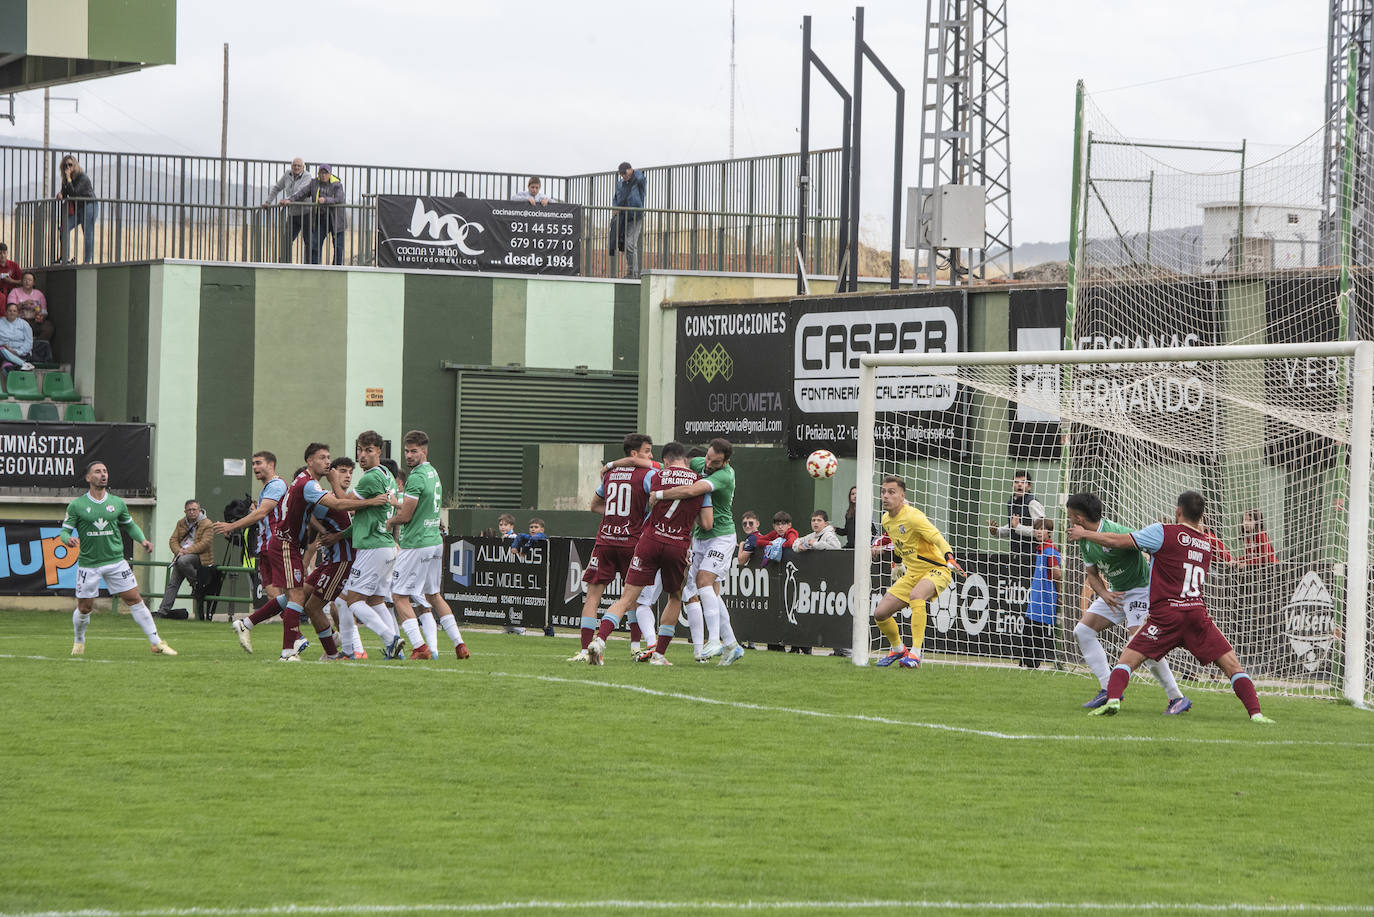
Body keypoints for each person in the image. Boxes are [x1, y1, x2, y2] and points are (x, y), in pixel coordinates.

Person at [1070, 491, 1275, 723]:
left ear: (1178, 511)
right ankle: (1256, 713)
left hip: (1165, 614)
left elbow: (1122, 541)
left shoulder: (1163, 532)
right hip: (1196, 614)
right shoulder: (1207, 546)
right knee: (1232, 665)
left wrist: (1086, 534)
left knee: (1129, 658)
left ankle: (1117, 697)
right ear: (1202, 516)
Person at [587, 441, 712, 665]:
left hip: (649, 541)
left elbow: (639, 469)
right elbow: (707, 523)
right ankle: (659, 655)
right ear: (685, 459)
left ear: (665, 460)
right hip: (677, 544)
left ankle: (599, 640)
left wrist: (610, 466)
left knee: (627, 598)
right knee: (675, 597)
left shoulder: (656, 475)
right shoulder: (700, 483)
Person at [1065, 492, 1190, 713]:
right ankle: (1107, 689)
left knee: (1141, 644)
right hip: (1116, 593)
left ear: (1078, 518)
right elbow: (1092, 573)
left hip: (1140, 591)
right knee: (1082, 631)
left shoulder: (1116, 531)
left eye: (1069, 516)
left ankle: (1176, 697)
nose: (1068, 521)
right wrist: (1103, 593)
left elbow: (1128, 544)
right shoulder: (1083, 539)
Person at [62, 460, 175, 656]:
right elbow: (64, 531)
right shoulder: (77, 505)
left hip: (115, 561)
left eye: (105, 471)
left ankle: (156, 642)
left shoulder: (117, 503)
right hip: (89, 564)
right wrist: (67, 540)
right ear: (88, 478)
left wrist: (143, 540)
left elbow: (129, 525)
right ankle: (79, 640)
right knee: (85, 607)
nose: (103, 474)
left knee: (134, 599)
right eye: (98, 472)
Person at [647, 438, 741, 664]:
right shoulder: (700, 462)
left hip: (721, 536)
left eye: (715, 461)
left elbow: (690, 490)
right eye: (708, 457)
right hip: (700, 538)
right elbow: (677, 467)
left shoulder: (724, 476)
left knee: (703, 581)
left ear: (725, 462)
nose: (708, 463)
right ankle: (732, 645)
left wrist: (658, 494)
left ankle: (714, 641)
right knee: (708, 592)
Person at [571, 433, 661, 663]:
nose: (651, 455)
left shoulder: (610, 474)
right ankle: (631, 646)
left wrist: (615, 514)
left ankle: (583, 651)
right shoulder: (650, 474)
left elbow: (594, 506)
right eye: (647, 451)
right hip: (632, 542)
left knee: (592, 597)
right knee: (631, 599)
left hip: (606, 540)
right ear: (634, 454)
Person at [387, 429, 470, 660]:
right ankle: (459, 644)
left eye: (413, 451)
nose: (409, 455)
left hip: (416, 542)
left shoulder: (415, 477)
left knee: (398, 595)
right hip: (434, 540)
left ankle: (419, 647)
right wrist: (398, 500)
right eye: (406, 451)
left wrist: (390, 520)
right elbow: (417, 501)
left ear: (424, 451)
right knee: (433, 594)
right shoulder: (433, 472)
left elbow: (405, 516)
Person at [870, 475, 963, 669]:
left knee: (916, 596)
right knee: (880, 613)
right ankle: (897, 648)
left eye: (891, 492)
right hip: (913, 574)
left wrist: (949, 557)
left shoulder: (913, 516)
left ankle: (915, 653)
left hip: (936, 569)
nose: (885, 496)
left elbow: (937, 537)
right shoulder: (886, 519)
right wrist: (896, 564)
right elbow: (898, 543)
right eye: (883, 492)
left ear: (902, 496)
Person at [340, 430, 405, 659]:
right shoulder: (387, 473)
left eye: (368, 450)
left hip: (372, 546)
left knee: (353, 601)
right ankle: (396, 652)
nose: (362, 455)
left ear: (379, 451)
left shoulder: (369, 478)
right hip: (386, 546)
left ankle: (391, 639)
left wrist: (332, 484)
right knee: (377, 600)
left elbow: (345, 504)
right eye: (359, 450)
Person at [215, 451, 288, 653]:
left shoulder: (277, 485)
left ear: (271, 464)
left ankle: (248, 624)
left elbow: (261, 513)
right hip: (265, 548)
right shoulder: (267, 488)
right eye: (253, 464)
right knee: (280, 596)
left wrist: (231, 526)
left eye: (259, 463)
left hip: (277, 545)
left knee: (294, 594)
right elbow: (261, 514)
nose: (255, 467)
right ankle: (298, 637)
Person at [155, 499, 213, 618]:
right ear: (185, 511)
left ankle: (195, 583)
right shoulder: (181, 523)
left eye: (194, 509)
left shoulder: (207, 523)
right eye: (189, 510)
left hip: (200, 557)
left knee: (182, 561)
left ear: (199, 510)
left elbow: (205, 543)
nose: (192, 512)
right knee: (173, 583)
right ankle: (162, 611)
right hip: (182, 556)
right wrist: (178, 551)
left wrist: (186, 551)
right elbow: (173, 540)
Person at [289, 164, 348, 266]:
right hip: (321, 219)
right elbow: (302, 193)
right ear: (318, 173)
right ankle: (315, 267)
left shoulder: (337, 184)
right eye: (321, 172)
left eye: (326, 173)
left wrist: (325, 200)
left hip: (336, 220)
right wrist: (290, 200)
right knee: (315, 244)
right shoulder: (314, 183)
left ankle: (337, 269)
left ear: (330, 174)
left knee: (338, 247)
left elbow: (339, 199)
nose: (324, 175)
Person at [1021, 517, 1060, 668]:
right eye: (1037, 528)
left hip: (1044, 597)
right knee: (1031, 630)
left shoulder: (1049, 550)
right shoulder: (1042, 549)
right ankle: (1028, 663)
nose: (1039, 531)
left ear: (1049, 532)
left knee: (1034, 631)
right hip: (1038, 597)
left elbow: (1057, 574)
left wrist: (1059, 594)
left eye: (1042, 529)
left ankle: (1032, 663)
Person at [263, 157, 314, 262]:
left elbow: (301, 192)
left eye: (299, 166)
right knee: (286, 240)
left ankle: (309, 265)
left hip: (306, 213)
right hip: (292, 214)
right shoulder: (287, 174)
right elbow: (277, 187)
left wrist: (289, 200)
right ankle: (285, 262)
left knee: (309, 241)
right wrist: (268, 202)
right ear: (291, 166)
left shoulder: (307, 176)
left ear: (303, 167)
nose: (296, 167)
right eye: (294, 165)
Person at [58, 155, 97, 264]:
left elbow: (75, 192)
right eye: (65, 165)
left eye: (70, 164)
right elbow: (67, 193)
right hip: (78, 208)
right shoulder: (66, 179)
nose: (68, 167)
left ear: (75, 165)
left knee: (87, 233)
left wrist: (69, 178)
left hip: (89, 205)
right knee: (63, 229)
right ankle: (65, 258)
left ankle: (87, 261)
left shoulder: (82, 177)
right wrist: (61, 194)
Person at [611, 161, 646, 279]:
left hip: (636, 217)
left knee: (630, 244)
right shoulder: (620, 184)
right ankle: (631, 272)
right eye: (621, 175)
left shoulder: (638, 180)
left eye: (625, 173)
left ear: (630, 170)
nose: (623, 176)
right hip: (623, 217)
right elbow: (616, 197)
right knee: (625, 245)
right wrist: (615, 207)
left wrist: (634, 173)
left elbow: (641, 178)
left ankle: (634, 274)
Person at [7, 272, 54, 348]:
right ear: (21, 281)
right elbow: (10, 309)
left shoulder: (39, 294)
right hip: (19, 321)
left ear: (33, 283)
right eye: (25, 280)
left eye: (30, 280)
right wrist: (23, 304)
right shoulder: (15, 292)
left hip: (35, 320)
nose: (27, 282)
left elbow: (44, 311)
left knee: (48, 328)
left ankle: (35, 345)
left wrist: (41, 316)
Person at [0, 301, 40, 373]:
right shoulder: (1, 322)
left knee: (2, 353)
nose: (12, 313)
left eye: (14, 311)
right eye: (10, 311)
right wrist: (7, 348)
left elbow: (29, 342)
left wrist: (17, 352)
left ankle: (21, 363)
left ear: (18, 313)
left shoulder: (24, 324)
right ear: (5, 312)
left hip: (21, 354)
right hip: (4, 353)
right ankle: (23, 364)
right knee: (6, 367)